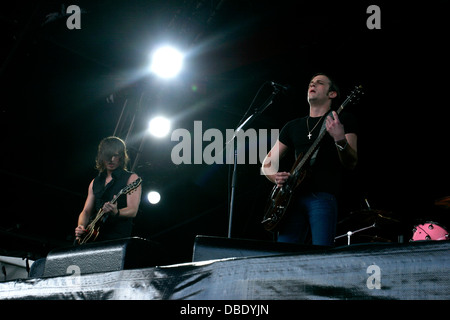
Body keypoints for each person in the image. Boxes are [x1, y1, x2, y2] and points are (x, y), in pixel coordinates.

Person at [261, 73, 358, 246]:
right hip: (290, 201)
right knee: (284, 254)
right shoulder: (292, 126)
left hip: (322, 197)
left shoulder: (342, 120)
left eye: (319, 83)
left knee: (321, 252)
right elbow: (267, 163)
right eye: (311, 83)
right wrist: (275, 177)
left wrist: (339, 139)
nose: (312, 85)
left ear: (332, 94)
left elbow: (351, 162)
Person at [75, 136, 142, 243]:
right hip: (92, 237)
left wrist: (117, 212)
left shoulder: (131, 178)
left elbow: (133, 210)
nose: (111, 160)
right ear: (101, 156)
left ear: (121, 156)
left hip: (116, 237)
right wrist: (81, 226)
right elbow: (86, 211)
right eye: (107, 155)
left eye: (115, 155)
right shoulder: (95, 182)